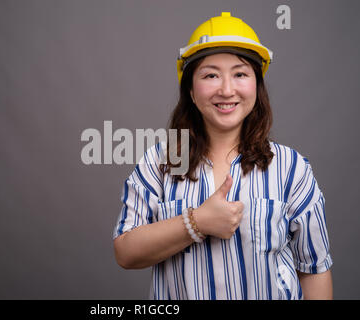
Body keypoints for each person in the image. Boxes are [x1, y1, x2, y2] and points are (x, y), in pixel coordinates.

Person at [112, 12, 333, 300]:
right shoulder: (159, 164)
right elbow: (126, 252)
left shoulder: (291, 169)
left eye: (240, 74)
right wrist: (196, 222)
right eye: (211, 75)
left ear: (257, 85)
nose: (227, 90)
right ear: (191, 90)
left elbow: (313, 268)